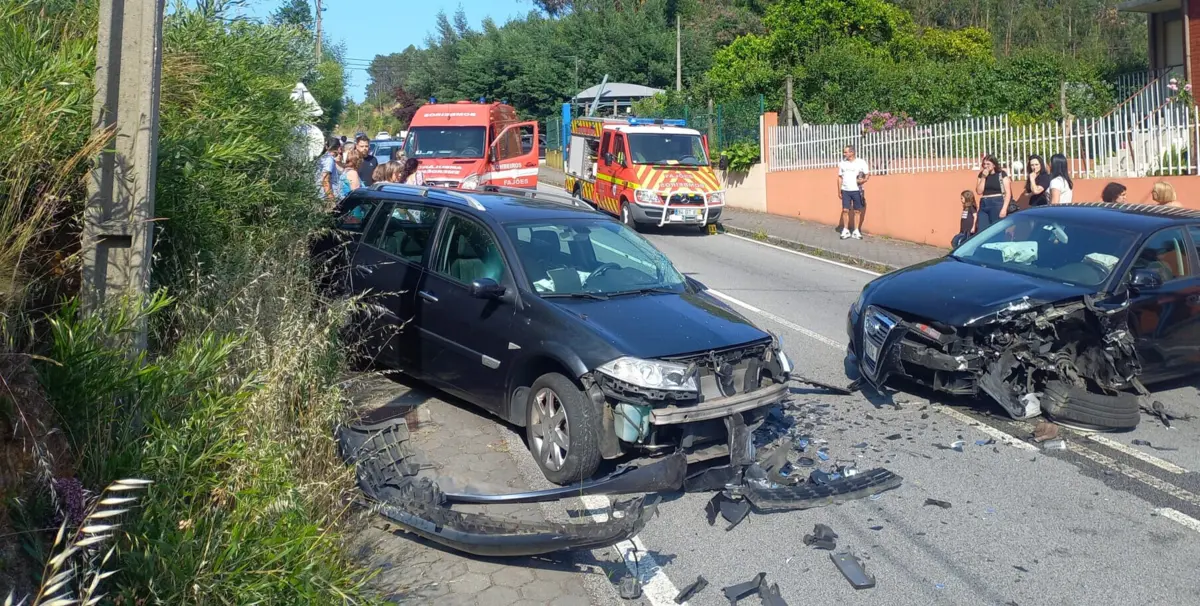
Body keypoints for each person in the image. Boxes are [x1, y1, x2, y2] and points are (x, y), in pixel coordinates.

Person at [836, 145, 869, 240]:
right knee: (845, 210)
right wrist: (839, 191)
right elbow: (839, 177)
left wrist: (863, 180)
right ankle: (845, 230)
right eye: (844, 152)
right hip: (845, 190)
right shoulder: (843, 163)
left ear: (852, 152)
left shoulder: (861, 162)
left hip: (857, 190)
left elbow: (867, 175)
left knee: (857, 211)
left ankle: (856, 231)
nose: (844, 154)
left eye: (846, 152)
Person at [974, 154, 1010, 231]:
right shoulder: (981, 175)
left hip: (997, 203)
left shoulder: (1001, 174)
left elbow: (1008, 192)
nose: (985, 166)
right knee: (982, 230)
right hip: (984, 203)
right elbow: (979, 191)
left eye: (988, 164)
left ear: (994, 165)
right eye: (984, 164)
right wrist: (983, 177)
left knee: (996, 229)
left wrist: (1004, 209)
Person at [315, 137, 342, 205]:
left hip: (319, 194)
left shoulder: (322, 157)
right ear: (339, 148)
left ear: (326, 147)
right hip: (326, 198)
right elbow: (325, 180)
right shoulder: (329, 160)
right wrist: (332, 200)